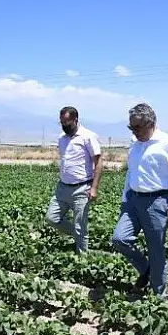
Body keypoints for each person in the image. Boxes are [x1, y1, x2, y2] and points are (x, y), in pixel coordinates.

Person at [112, 103, 168, 298]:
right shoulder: (135, 142)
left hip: (157, 201)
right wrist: (124, 199)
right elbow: (131, 172)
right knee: (119, 239)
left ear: (150, 123)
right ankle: (146, 269)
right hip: (133, 199)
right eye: (131, 127)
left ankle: (158, 296)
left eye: (137, 127)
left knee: (156, 249)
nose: (134, 131)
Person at [45, 106, 103, 253]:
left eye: (67, 123)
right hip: (63, 187)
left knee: (80, 225)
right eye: (61, 123)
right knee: (52, 218)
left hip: (82, 188)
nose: (64, 126)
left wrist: (94, 187)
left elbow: (98, 162)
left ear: (75, 119)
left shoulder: (88, 136)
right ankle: (79, 236)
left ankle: (82, 260)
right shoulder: (62, 138)